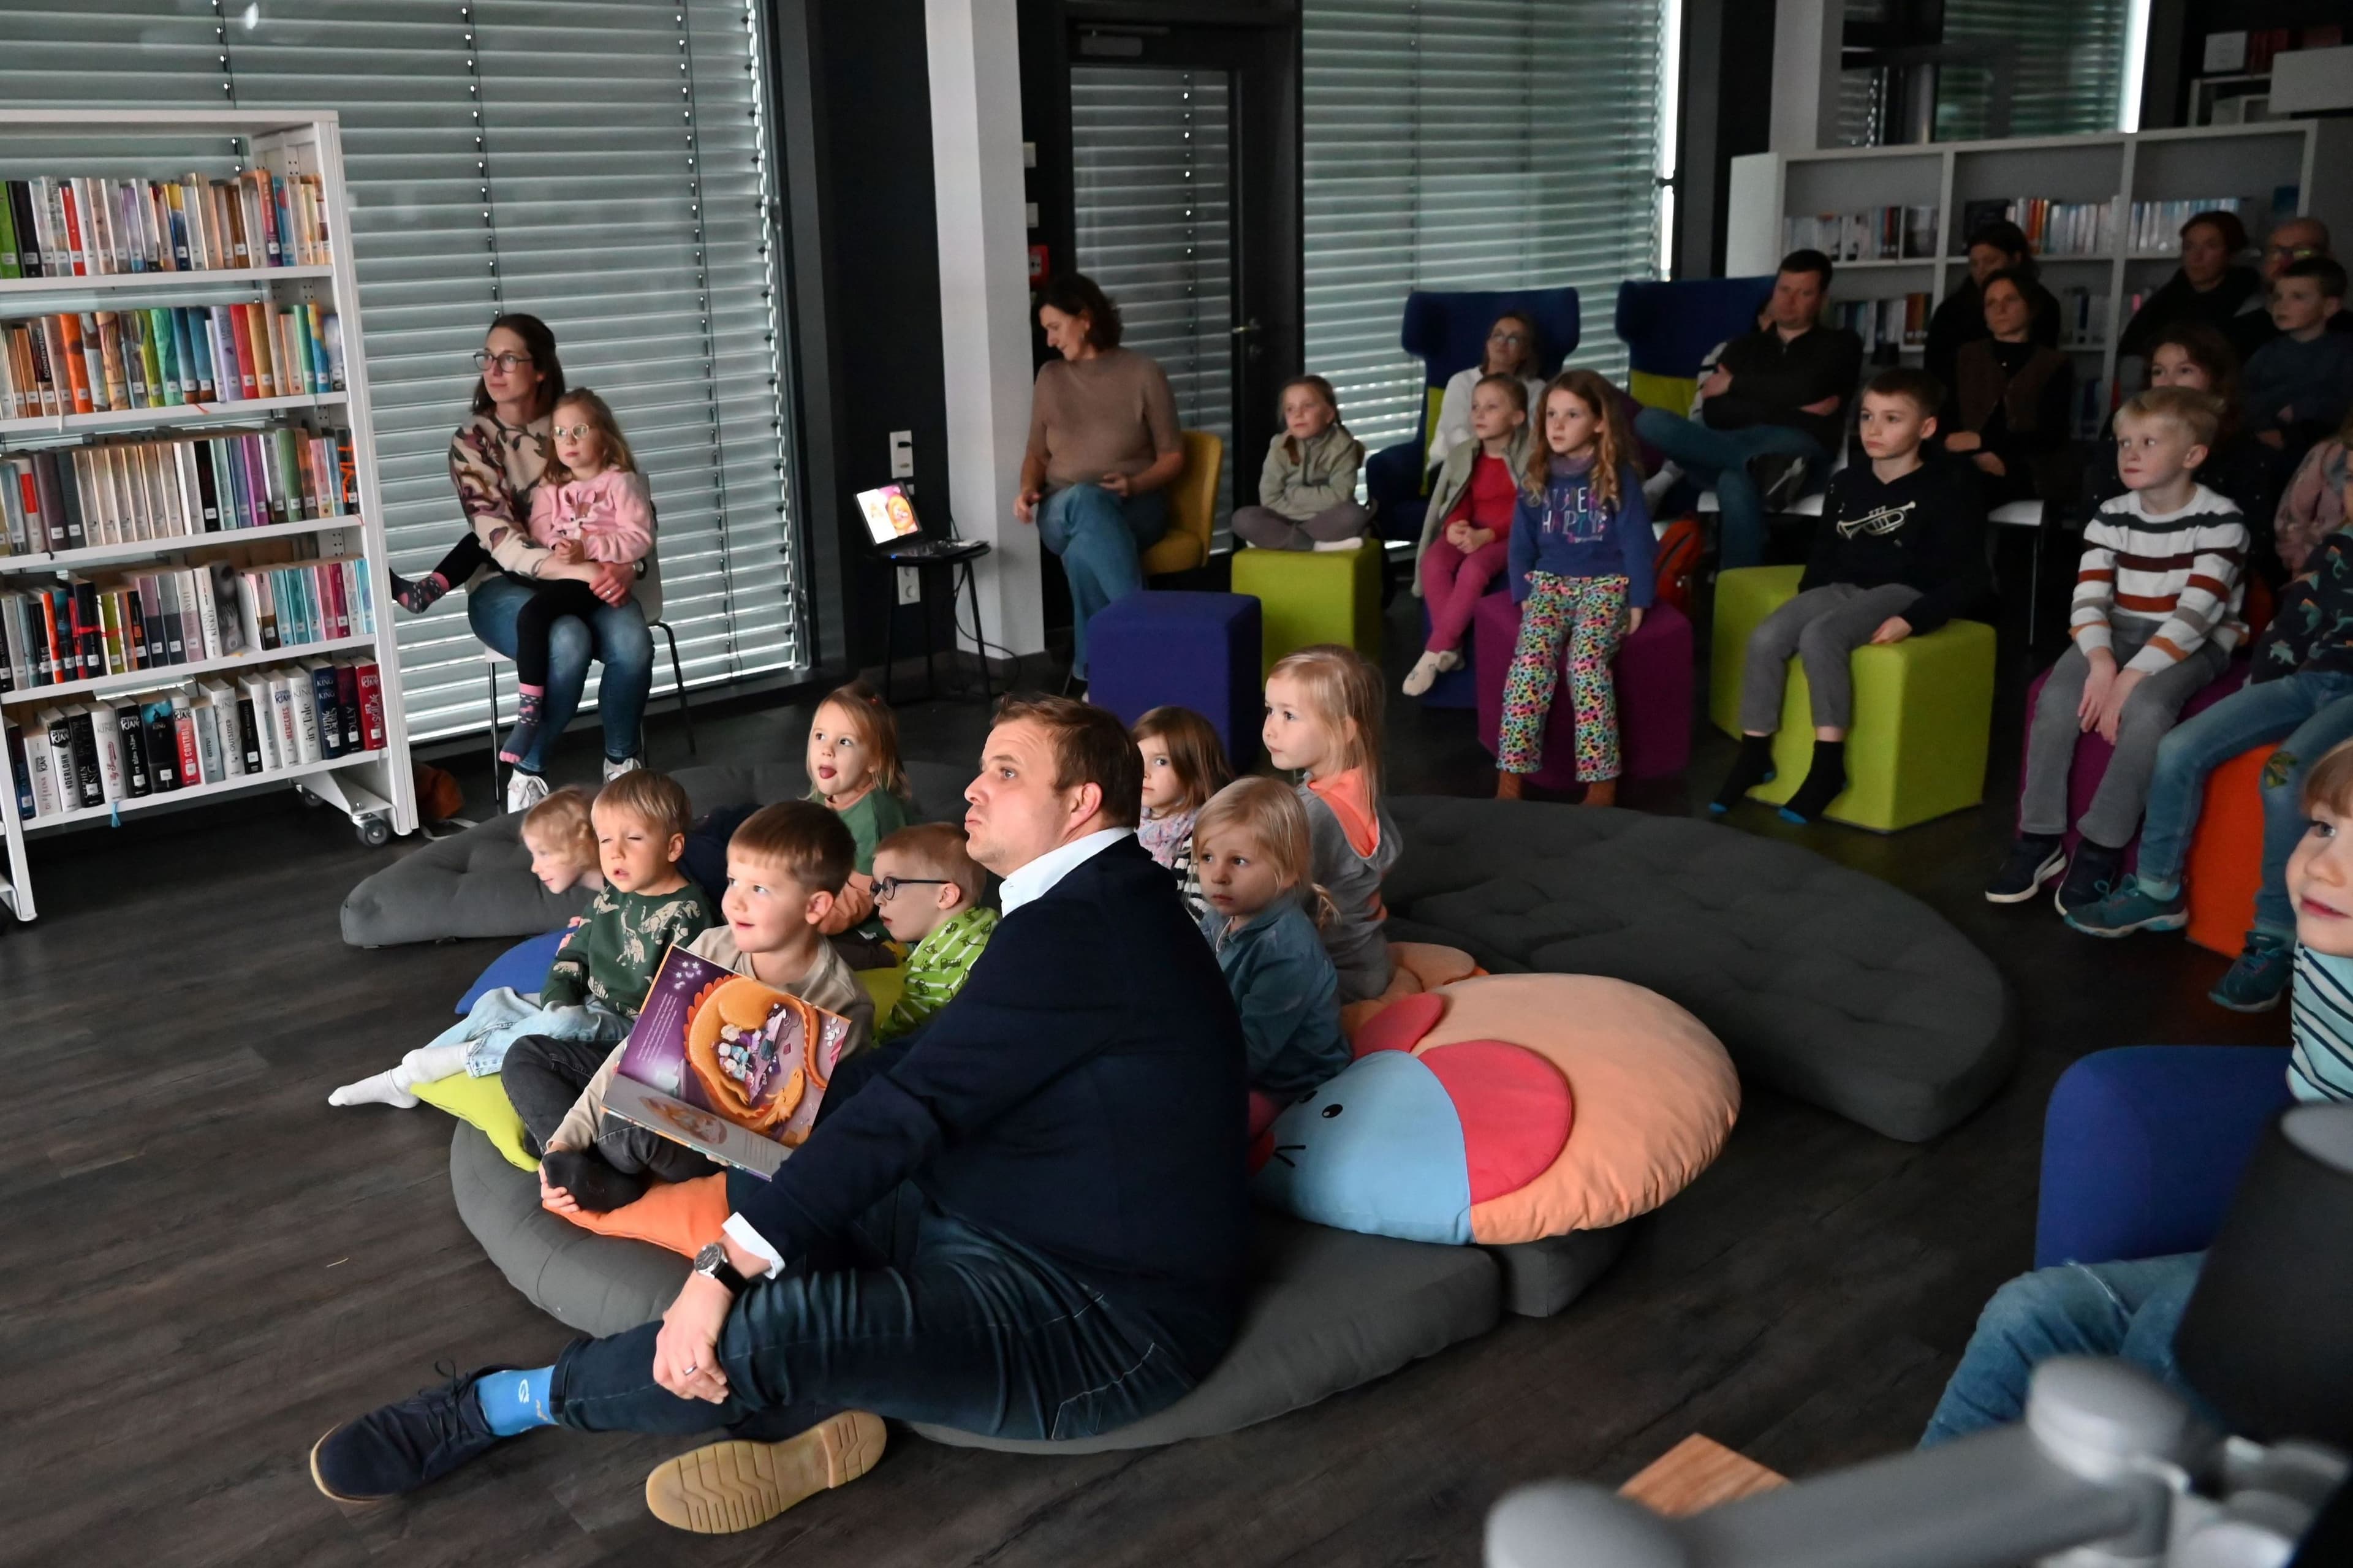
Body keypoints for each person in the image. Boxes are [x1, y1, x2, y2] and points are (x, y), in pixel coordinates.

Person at [311, 697, 1252, 1536]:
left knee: (763, 1321)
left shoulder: (1089, 930)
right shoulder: (1081, 903)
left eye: (1005, 771)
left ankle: (496, 1402)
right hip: (1003, 1205)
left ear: (1080, 802)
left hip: (1098, 1314)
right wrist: (761, 1105)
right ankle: (819, 1397)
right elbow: (922, 1068)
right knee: (779, 1133)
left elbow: (918, 1105)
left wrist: (723, 1265)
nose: (972, 786)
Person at [1921, 736, 2353, 1447]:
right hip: (2293, 1235)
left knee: (2175, 1327)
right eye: (2324, 829)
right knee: (2030, 1312)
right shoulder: (2329, 925)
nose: (2322, 866)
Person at [2064, 479, 2353, 1012]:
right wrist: (2257, 692)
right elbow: (2294, 627)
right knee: (2180, 746)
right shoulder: (2339, 546)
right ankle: (2157, 890)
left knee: (2285, 775)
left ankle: (2274, 937)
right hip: (2311, 680)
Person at [528, 800, 874, 1216]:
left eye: (759, 889)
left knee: (632, 1127)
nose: (735, 902)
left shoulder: (842, 1004)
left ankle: (599, 1171)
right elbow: (635, 1051)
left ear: (815, 906)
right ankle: (566, 1165)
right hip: (663, 1089)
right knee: (529, 1055)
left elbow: (813, 1135)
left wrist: (718, 1135)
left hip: (701, 1143)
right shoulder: (712, 946)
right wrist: (564, 1140)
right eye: (733, 881)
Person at [1987, 388, 2249, 915]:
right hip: (2120, 627)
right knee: (2056, 698)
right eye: (2124, 441)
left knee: (2148, 709)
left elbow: (2195, 616)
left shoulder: (2221, 520)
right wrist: (2102, 662)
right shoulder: (2111, 514)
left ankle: (2102, 845)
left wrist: (2129, 680)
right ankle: (2038, 837)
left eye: (2149, 442)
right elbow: (2088, 598)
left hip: (2196, 638)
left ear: (2193, 455)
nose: (2129, 453)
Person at [1713, 368, 1984, 824]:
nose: (1874, 429)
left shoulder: (1947, 487)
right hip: (1842, 586)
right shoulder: (1846, 483)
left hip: (1903, 589)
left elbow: (1971, 576)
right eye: (1867, 416)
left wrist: (1914, 619)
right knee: (1767, 636)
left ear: (1927, 428)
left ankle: (1828, 767)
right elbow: (1824, 553)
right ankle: (1755, 753)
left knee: (1822, 636)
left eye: (1892, 419)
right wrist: (1804, 602)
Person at [420, 314, 655, 813]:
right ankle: (528, 770)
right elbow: (500, 539)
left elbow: (633, 508)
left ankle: (622, 765)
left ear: (541, 367)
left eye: (509, 358)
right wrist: (587, 567)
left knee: (633, 641)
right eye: (488, 358)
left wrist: (627, 567)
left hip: (588, 576)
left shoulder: (575, 420)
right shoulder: (474, 441)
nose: (493, 369)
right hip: (504, 584)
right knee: (565, 640)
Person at [324, 786, 616, 1110]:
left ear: (581, 845)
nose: (535, 867)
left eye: (544, 855)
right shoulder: (601, 903)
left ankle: (457, 1059)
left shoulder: (631, 902)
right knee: (497, 1001)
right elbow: (577, 959)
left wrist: (588, 950)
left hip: (627, 1022)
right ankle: (400, 1080)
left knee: (563, 1021)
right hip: (595, 995)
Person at [1633, 250, 1865, 570]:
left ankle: (1732, 592)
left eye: (1804, 293)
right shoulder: (1742, 347)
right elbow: (1716, 412)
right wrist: (1799, 409)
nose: (1789, 301)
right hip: (1736, 443)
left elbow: (1808, 387)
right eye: (1784, 289)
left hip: (1798, 460)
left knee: (1733, 482)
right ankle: (1758, 470)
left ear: (1822, 300)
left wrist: (1736, 386)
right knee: (1650, 421)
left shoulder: (1842, 344)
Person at [1494, 370, 1655, 808]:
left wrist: (1639, 598)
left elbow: (1637, 541)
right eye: (1551, 415)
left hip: (1606, 585)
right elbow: (1520, 543)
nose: (1558, 425)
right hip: (1549, 585)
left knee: (1586, 665)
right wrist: (1523, 592)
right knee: (1529, 665)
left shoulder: (1617, 476)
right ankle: (1510, 778)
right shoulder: (1538, 474)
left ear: (1599, 422)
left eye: (1572, 415)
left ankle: (1602, 780)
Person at [1014, 273, 1183, 683]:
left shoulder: (1144, 373)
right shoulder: (1051, 377)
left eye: (1055, 327)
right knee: (1085, 501)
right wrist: (1027, 489)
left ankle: (1094, 677)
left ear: (1085, 319)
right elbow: (1037, 453)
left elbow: (1173, 457)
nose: (1050, 340)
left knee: (1082, 552)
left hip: (1136, 505)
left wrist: (1135, 485)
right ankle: (1147, 632)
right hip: (1062, 507)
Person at [1192, 776, 1347, 1138]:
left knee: (1205, 1131)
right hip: (1230, 1045)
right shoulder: (1223, 915)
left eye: (1239, 861)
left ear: (1288, 872)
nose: (1218, 876)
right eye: (1207, 857)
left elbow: (1251, 1053)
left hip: (1287, 1081)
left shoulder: (1287, 952)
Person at [2082, 324, 2278, 578]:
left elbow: (2252, 543)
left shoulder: (2242, 449)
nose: (2168, 382)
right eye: (2158, 371)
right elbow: (2094, 531)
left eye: (2185, 370)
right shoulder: (2123, 433)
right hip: (2129, 577)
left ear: (2215, 377)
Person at [1262, 645, 1400, 1005]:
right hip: (1369, 960)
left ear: (1342, 730)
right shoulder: (1360, 784)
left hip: (1332, 975)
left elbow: (1276, 901)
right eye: (1270, 710)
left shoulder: (1312, 813)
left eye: (1289, 716)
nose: (1270, 729)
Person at [1403, 374, 1534, 697]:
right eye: (1475, 406)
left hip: (1510, 536)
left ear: (1517, 417)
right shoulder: (1466, 454)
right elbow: (1458, 496)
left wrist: (1488, 535)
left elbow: (1531, 508)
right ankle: (1452, 649)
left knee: (1474, 569)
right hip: (1472, 528)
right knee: (1434, 561)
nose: (1479, 414)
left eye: (1492, 407)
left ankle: (1436, 650)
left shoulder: (1531, 456)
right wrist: (1455, 525)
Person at [1944, 270, 2076, 506]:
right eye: (1991, 303)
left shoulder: (2054, 363)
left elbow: (2051, 435)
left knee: (1966, 487)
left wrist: (1986, 444)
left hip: (2029, 466)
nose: (2000, 309)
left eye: (2010, 300)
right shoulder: (1966, 357)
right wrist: (1974, 453)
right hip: (1964, 460)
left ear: (2031, 307)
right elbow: (1948, 420)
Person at [805, 681, 913, 967]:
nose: (827, 750)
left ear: (873, 761)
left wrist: (806, 923)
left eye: (845, 742)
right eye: (820, 736)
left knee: (806, 957)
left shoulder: (874, 815)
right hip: (833, 899)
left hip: (880, 928)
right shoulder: (828, 792)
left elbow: (862, 896)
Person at [870, 822, 997, 1043]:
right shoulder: (990, 918)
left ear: (945, 896)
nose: (878, 899)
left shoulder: (933, 963)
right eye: (877, 888)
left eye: (890, 885)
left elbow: (895, 1036)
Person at [1230, 375, 1372, 551]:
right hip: (1283, 518)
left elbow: (1340, 496)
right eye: (1290, 409)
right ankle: (1316, 545)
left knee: (1354, 515)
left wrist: (1291, 493)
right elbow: (1269, 498)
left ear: (1329, 415)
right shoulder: (1279, 445)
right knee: (1242, 519)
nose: (1298, 414)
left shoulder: (1343, 446)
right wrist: (1295, 510)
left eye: (1308, 406)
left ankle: (1280, 540)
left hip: (1325, 519)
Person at [1923, 219, 2062, 397]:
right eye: (1974, 264)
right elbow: (1935, 372)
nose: (1981, 270)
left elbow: (2044, 369)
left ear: (2016, 259)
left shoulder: (2043, 305)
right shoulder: (1952, 310)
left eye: (1990, 261)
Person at [2242, 257, 2353, 466]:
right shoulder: (2267, 352)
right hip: (2265, 443)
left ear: (2329, 306)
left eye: (2298, 297)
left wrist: (2302, 409)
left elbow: (2344, 400)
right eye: (2278, 297)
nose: (2282, 305)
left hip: (2323, 447)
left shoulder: (2344, 352)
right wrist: (2263, 426)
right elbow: (2242, 394)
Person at [2118, 210, 2264, 362]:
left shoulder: (2251, 308)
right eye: (2189, 247)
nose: (2197, 256)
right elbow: (2131, 353)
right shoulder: (2163, 303)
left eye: (2211, 246)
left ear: (2231, 253)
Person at [1133, 704, 1233, 922]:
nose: (1144, 772)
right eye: (1138, 758)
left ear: (1194, 770)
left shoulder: (1206, 836)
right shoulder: (1126, 819)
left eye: (1161, 761)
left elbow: (1200, 917)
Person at [1425, 311, 1548, 474]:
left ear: (1525, 351)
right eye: (1497, 336)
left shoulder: (1536, 388)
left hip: (1512, 465)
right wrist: (1488, 458)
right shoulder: (1462, 381)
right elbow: (1455, 433)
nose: (1503, 343)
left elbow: (1533, 437)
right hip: (1454, 463)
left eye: (1513, 339)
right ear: (1488, 343)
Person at [2276, 414, 2353, 585]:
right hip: (2312, 559)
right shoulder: (2327, 454)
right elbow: (2293, 512)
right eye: (2350, 478)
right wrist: (2300, 561)